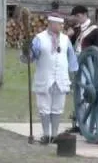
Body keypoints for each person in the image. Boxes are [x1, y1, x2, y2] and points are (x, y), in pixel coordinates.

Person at [20, 12, 79, 145]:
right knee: (44, 108)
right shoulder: (39, 38)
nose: (61, 26)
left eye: (61, 24)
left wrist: (74, 74)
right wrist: (27, 51)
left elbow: (71, 58)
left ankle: (54, 135)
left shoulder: (65, 40)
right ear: (51, 24)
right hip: (45, 78)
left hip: (61, 78)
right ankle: (46, 134)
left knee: (58, 108)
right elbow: (30, 58)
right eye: (58, 24)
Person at [65, 5, 98, 134]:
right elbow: (69, 48)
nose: (77, 19)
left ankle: (86, 124)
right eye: (75, 16)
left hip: (89, 66)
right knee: (77, 93)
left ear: (85, 15)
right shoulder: (76, 30)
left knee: (86, 94)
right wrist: (68, 37)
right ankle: (78, 122)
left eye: (78, 16)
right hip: (76, 64)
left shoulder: (95, 31)